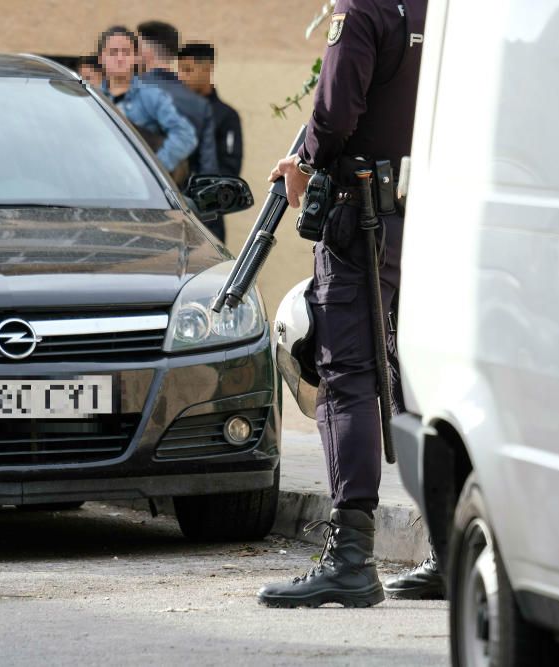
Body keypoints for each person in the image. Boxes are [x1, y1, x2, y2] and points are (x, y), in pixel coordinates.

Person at [257, 0, 429, 609]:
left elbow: (334, 114)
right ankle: (448, 545)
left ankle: (351, 557)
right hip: (429, 214)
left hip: (364, 218)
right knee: (422, 377)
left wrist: (303, 165)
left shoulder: (363, 8)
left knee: (347, 375)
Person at [96, 26, 196, 176]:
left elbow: (185, 135)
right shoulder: (92, 98)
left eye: (126, 52)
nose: (120, 58)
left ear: (136, 57)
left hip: (141, 189)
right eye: (113, 52)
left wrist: (154, 170)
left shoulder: (151, 96)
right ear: (101, 57)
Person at [136, 21, 218, 186]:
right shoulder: (199, 104)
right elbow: (208, 171)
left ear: (146, 52)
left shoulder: (130, 94)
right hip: (179, 202)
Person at [178, 41, 243, 244]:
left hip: (207, 220)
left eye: (188, 70)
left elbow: (229, 170)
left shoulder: (226, 116)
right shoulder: (173, 112)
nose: (181, 77)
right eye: (179, 70)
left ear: (207, 69)